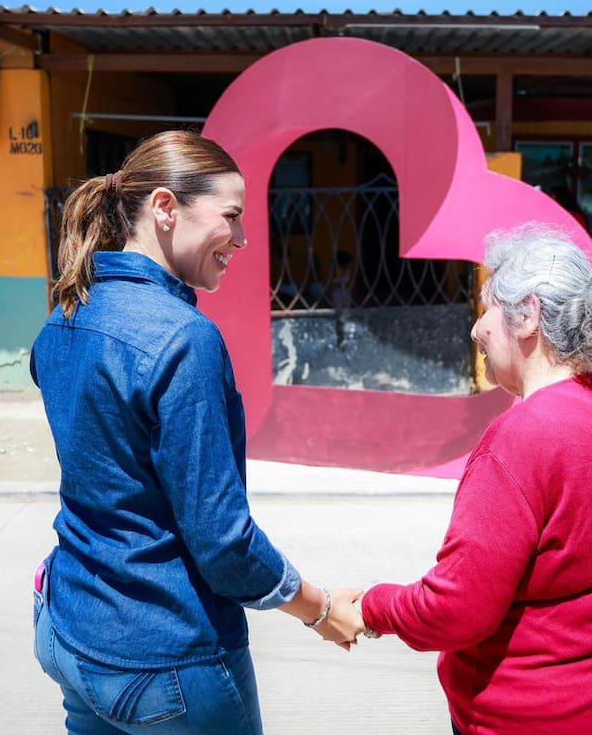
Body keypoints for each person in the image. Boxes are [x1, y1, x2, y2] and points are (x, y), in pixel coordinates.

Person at [30, 130, 363, 735]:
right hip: (165, 657)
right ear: (164, 208)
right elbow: (223, 542)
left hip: (70, 628)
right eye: (230, 217)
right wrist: (319, 610)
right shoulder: (183, 338)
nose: (241, 238)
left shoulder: (65, 317)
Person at [357, 223, 592, 734]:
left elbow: (458, 609)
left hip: (545, 716)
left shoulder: (524, 435)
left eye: (486, 309)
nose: (477, 329)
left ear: (528, 314)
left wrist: (375, 606)